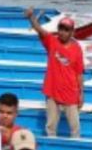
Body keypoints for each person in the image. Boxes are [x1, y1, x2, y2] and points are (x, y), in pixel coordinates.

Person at [25, 8, 85, 138]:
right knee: (51, 127)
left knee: (75, 128)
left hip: (70, 93)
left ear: (72, 32)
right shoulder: (52, 42)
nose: (62, 32)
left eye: (66, 30)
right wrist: (31, 18)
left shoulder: (77, 49)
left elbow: (79, 74)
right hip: (52, 92)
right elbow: (39, 30)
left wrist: (81, 94)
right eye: (61, 29)